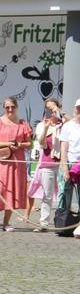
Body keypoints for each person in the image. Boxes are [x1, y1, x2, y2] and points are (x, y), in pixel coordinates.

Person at [0, 97, 33, 232]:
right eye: (7, 107)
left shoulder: (23, 123)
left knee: (12, 190)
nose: (10, 110)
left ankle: (6, 223)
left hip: (17, 161)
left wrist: (20, 144)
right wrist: (7, 143)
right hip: (2, 160)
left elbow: (30, 143)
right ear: (4, 108)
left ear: (16, 107)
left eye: (12, 107)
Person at [28, 98, 64, 231]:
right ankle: (44, 223)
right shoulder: (42, 125)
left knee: (63, 194)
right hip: (47, 163)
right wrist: (47, 127)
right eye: (47, 109)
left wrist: (59, 113)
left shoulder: (64, 124)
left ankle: (63, 221)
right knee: (47, 195)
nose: (50, 112)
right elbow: (41, 142)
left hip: (62, 163)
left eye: (52, 108)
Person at [58, 98, 80, 238]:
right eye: (78, 108)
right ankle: (63, 224)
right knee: (64, 194)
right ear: (75, 109)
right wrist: (65, 167)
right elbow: (64, 149)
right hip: (69, 162)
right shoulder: (68, 126)